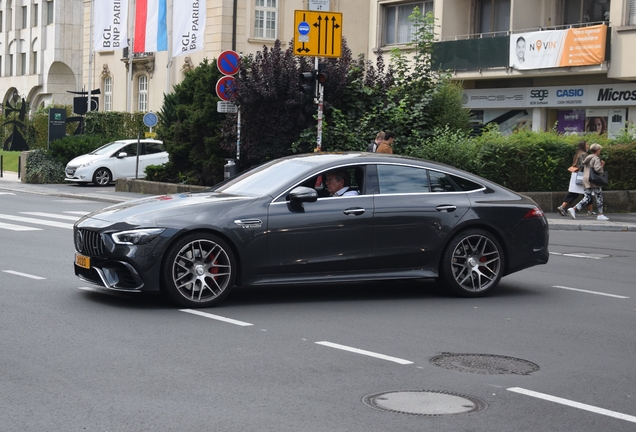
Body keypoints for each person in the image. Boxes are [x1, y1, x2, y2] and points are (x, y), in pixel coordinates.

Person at [567, 143, 608, 221]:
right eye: (600, 150)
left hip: (586, 179)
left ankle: (574, 209)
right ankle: (600, 214)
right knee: (599, 196)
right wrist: (602, 166)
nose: (600, 151)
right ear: (597, 150)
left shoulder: (587, 158)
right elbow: (597, 169)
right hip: (594, 181)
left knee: (587, 197)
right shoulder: (596, 158)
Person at [557, 141, 595, 216]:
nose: (588, 146)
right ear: (583, 146)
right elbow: (583, 165)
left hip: (577, 175)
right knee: (582, 193)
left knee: (579, 193)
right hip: (582, 176)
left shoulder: (578, 153)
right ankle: (562, 207)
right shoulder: (584, 154)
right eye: (587, 144)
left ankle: (590, 211)